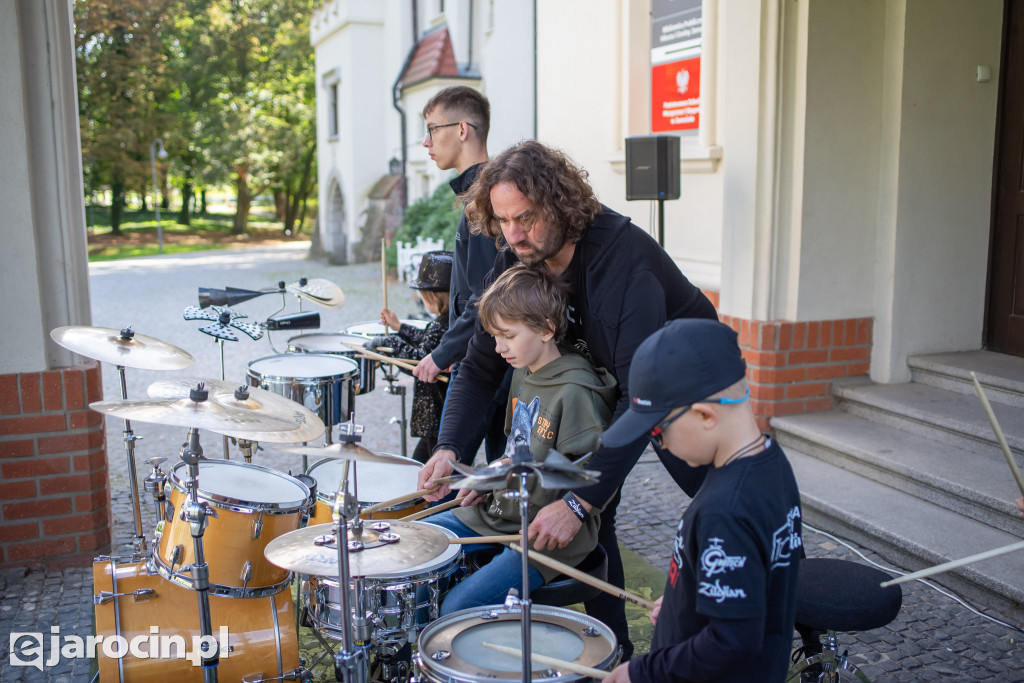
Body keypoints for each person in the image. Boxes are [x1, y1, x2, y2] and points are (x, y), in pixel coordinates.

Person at [417, 140, 719, 657]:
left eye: (526, 219)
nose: (513, 235)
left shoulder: (624, 263)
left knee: (717, 511)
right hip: (616, 381)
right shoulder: (519, 249)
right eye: (503, 221)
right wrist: (449, 447)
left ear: (559, 204)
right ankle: (616, 650)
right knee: (601, 515)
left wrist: (577, 503)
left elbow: (641, 400)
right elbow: (480, 363)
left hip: (688, 386)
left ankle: (736, 625)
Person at [599, 319, 803, 682]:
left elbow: (732, 641)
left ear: (706, 415)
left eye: (657, 433)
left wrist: (642, 672)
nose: (659, 445)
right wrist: (687, 602)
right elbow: (754, 582)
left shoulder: (725, 511)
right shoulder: (771, 461)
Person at [426, 264, 617, 615]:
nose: (498, 348)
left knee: (456, 606)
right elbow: (520, 450)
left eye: (508, 336)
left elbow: (593, 473)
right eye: (494, 337)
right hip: (501, 512)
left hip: (545, 536)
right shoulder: (524, 369)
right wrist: (491, 475)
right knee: (415, 543)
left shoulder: (576, 392)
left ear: (547, 329)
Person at [411, 85, 507, 464]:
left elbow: (488, 295)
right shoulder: (481, 190)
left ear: (463, 130)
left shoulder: (487, 197)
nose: (426, 141)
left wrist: (444, 352)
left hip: (487, 362)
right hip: (486, 356)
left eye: (433, 129)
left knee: (443, 476)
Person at [368, 250, 453, 463]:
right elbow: (426, 338)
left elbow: (418, 362)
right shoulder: (450, 323)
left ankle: (438, 497)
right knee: (420, 463)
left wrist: (388, 341)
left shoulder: (439, 326)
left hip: (436, 412)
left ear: (432, 297)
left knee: (432, 469)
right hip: (439, 413)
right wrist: (399, 326)